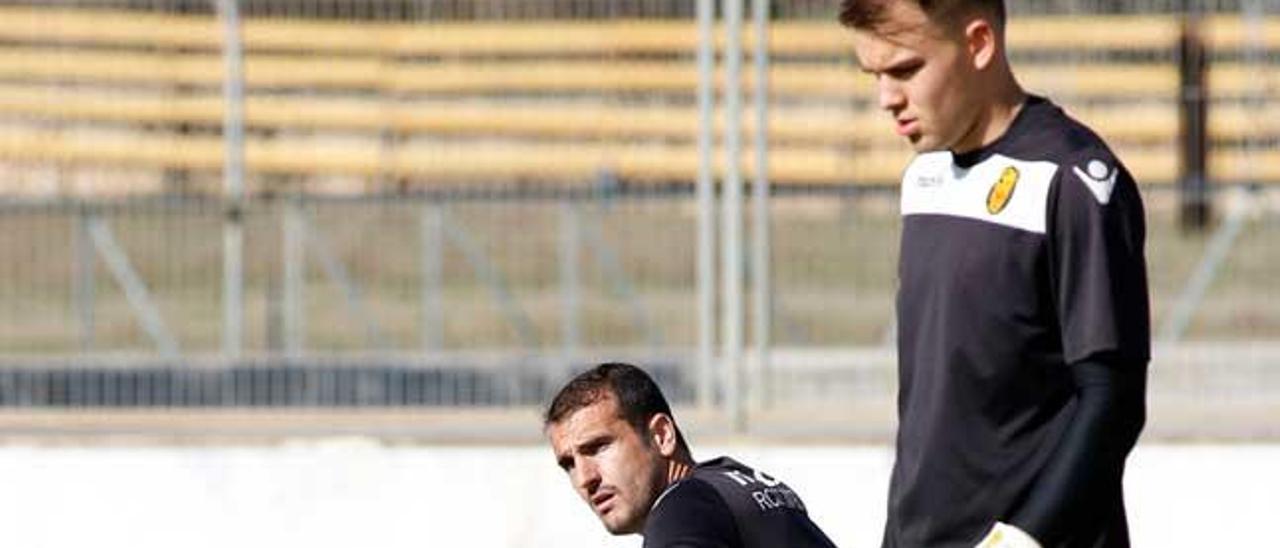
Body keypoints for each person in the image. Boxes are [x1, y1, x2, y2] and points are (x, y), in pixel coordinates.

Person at [839, 1, 1150, 547]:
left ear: (979, 44)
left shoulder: (1073, 181)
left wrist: (1024, 538)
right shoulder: (925, 177)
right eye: (875, 76)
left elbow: (1112, 399)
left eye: (906, 70)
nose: (887, 98)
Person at [544, 362, 838, 548]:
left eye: (598, 447)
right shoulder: (736, 485)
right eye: (569, 464)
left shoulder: (682, 509)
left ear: (662, 435)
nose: (585, 478)